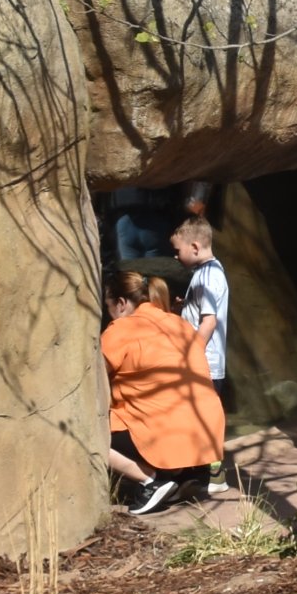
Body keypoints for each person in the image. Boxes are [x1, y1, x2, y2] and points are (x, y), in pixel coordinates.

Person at [102, 270, 222, 517]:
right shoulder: (179, 323)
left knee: (86, 433)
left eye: (108, 306)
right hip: (206, 432)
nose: (109, 313)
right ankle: (183, 474)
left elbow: (94, 375)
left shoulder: (121, 329)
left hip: (163, 430)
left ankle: (151, 480)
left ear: (121, 303)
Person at [170, 217, 231, 387]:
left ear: (195, 247)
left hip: (203, 366)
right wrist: (185, 306)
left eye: (178, 251)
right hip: (203, 365)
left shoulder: (207, 277)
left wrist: (192, 354)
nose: (175, 256)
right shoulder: (208, 271)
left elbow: (209, 323)